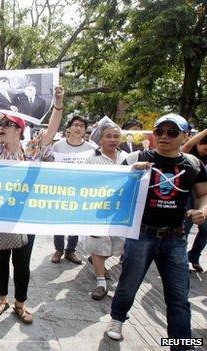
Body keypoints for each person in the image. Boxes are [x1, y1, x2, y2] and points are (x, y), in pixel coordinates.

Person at [0, 86, 64, 324]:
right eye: (0, 124)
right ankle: (2, 299)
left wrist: (58, 104)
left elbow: (51, 131)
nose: (1, 127)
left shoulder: (32, 150)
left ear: (19, 130)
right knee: (0, 260)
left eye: (7, 124)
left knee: (22, 263)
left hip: (25, 216)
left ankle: (20, 303)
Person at [106, 114, 207, 346]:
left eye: (172, 132)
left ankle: (180, 343)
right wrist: (131, 173)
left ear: (185, 136)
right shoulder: (137, 157)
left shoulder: (193, 165)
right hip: (141, 234)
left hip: (175, 238)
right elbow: (111, 188)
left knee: (179, 297)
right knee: (128, 283)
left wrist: (203, 211)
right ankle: (117, 319)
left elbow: (203, 195)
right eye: (160, 131)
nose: (164, 136)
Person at [83, 121, 128, 300]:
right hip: (98, 211)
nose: (113, 140)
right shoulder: (91, 159)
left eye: (116, 136)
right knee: (98, 245)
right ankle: (101, 283)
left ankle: (97, 261)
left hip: (121, 212)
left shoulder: (127, 157)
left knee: (118, 245)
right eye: (108, 136)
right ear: (100, 139)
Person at [50, 115, 96, 264]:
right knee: (58, 221)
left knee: (76, 221)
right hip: (60, 191)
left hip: (81, 193)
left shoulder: (92, 149)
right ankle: (58, 250)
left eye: (82, 126)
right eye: (75, 125)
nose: (78, 128)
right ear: (68, 129)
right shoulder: (58, 146)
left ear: (85, 131)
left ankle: (70, 251)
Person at [181, 128, 207, 272]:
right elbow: (187, 146)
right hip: (189, 197)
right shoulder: (188, 155)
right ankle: (180, 259)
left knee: (205, 230)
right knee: (185, 227)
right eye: (204, 147)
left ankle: (194, 256)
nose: (205, 151)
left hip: (204, 198)